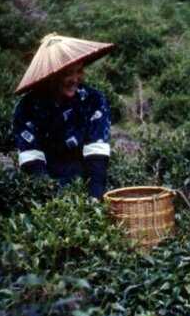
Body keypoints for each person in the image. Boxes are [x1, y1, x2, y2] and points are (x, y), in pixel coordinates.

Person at [12, 34, 114, 198]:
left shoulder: (93, 100)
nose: (75, 79)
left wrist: (94, 200)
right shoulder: (27, 108)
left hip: (84, 183)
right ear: (51, 76)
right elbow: (32, 159)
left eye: (79, 71)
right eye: (67, 73)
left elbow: (97, 152)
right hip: (47, 188)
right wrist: (51, 199)